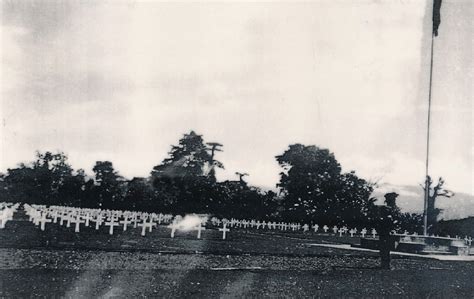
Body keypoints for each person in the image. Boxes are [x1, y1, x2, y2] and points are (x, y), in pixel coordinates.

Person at [377, 192, 400, 269]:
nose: (394, 200)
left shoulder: (394, 209)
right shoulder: (385, 209)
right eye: (392, 199)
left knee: (387, 248)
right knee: (385, 248)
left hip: (389, 231)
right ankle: (385, 264)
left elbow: (397, 219)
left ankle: (386, 264)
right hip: (385, 231)